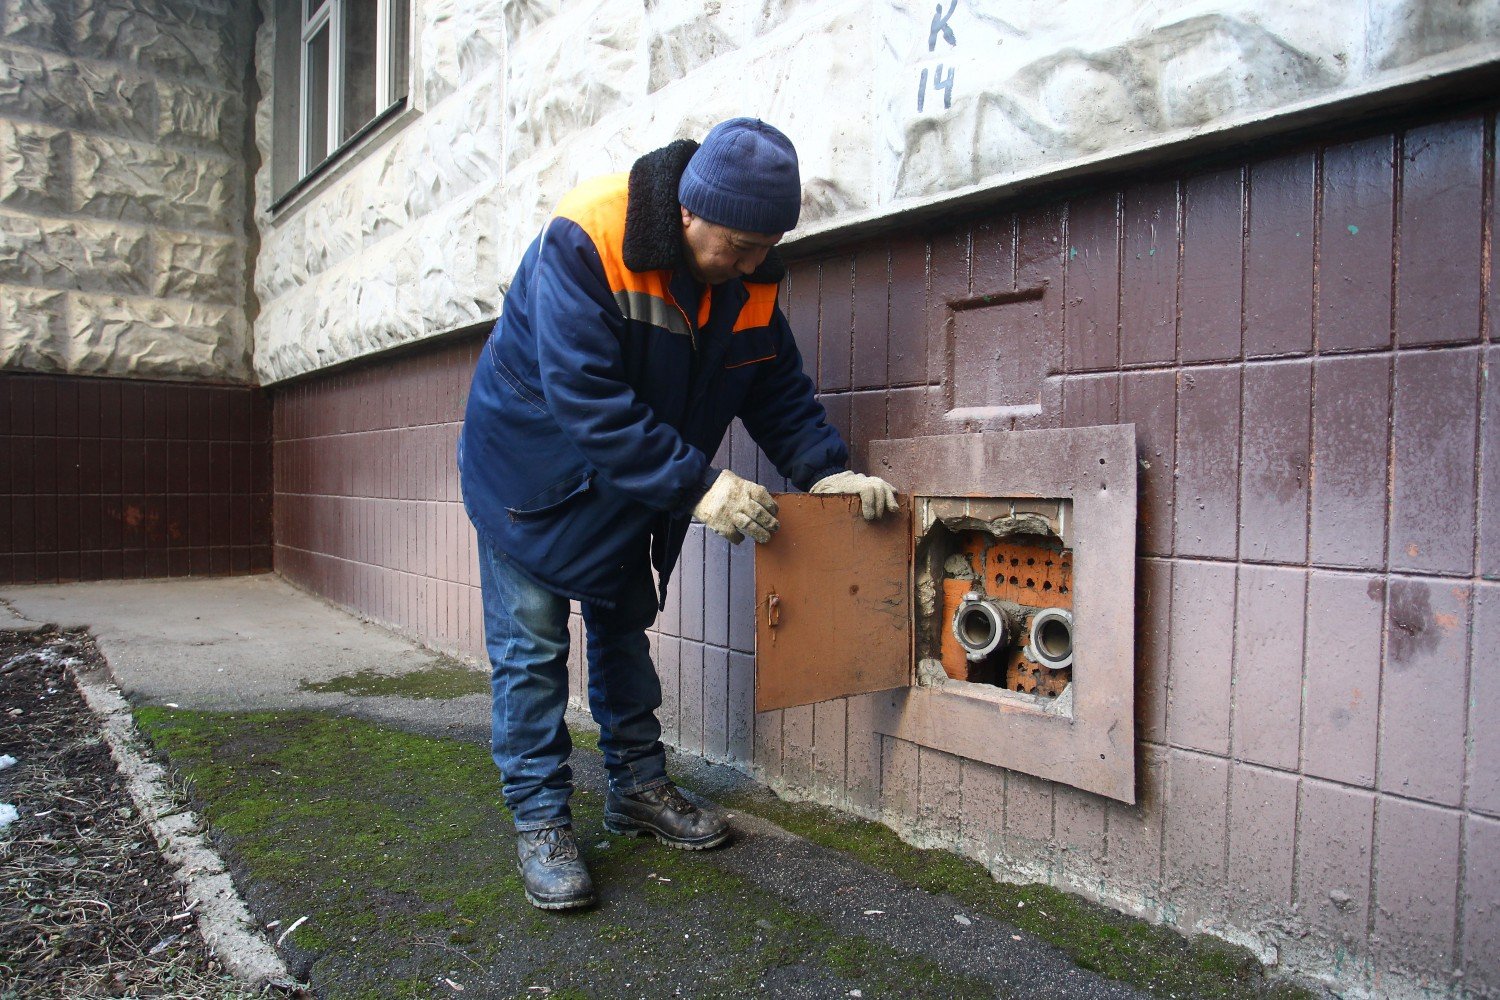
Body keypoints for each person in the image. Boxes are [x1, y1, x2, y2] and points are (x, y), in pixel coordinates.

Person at [457, 118, 899, 910]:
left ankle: (636, 787)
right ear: (688, 214)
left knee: (623, 631)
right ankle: (540, 819)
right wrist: (698, 485)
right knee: (531, 652)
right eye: (736, 245)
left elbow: (775, 389)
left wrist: (826, 473)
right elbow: (586, 398)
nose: (751, 264)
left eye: (765, 248)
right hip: (528, 474)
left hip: (633, 483)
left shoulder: (749, 278)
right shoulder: (588, 237)